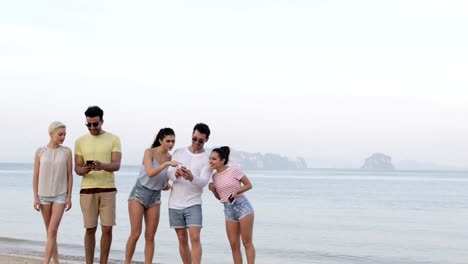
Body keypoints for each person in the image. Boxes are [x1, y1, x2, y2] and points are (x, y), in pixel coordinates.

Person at [74, 106, 122, 264]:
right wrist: (86, 168)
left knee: (107, 228)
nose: (92, 128)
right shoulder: (80, 141)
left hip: (108, 189)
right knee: (90, 229)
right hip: (87, 190)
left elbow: (116, 165)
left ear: (102, 121)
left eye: (95, 124)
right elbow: (78, 169)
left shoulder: (114, 139)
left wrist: (102, 166)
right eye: (89, 124)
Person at [125, 128, 179, 264]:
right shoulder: (149, 152)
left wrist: (166, 183)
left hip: (155, 197)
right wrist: (166, 164)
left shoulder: (170, 158)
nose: (171, 144)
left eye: (173, 141)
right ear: (160, 140)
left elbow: (165, 177)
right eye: (168, 141)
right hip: (139, 193)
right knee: (135, 234)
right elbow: (149, 172)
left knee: (150, 236)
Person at [167, 123, 213, 264]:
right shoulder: (179, 152)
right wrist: (177, 173)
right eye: (194, 139)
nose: (196, 143)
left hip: (193, 203)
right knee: (181, 238)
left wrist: (191, 177)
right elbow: (168, 172)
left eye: (201, 141)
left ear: (206, 140)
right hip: (175, 203)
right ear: (192, 135)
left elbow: (204, 181)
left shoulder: (208, 158)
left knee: (194, 237)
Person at [32, 121, 73, 264]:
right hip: (43, 196)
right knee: (50, 232)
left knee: (52, 231)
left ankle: (45, 262)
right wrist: (35, 197)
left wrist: (69, 197)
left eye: (64, 134)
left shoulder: (67, 151)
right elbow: (36, 175)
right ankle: (56, 262)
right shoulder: (40, 151)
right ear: (51, 134)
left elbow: (69, 175)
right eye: (60, 134)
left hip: (60, 195)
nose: (63, 137)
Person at [208, 146, 256, 264]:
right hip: (228, 210)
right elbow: (221, 197)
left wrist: (237, 191)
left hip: (243, 207)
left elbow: (248, 185)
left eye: (214, 159)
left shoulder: (234, 170)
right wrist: (213, 190)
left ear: (222, 160)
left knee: (246, 242)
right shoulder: (214, 176)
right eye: (210, 158)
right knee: (234, 245)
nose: (210, 161)